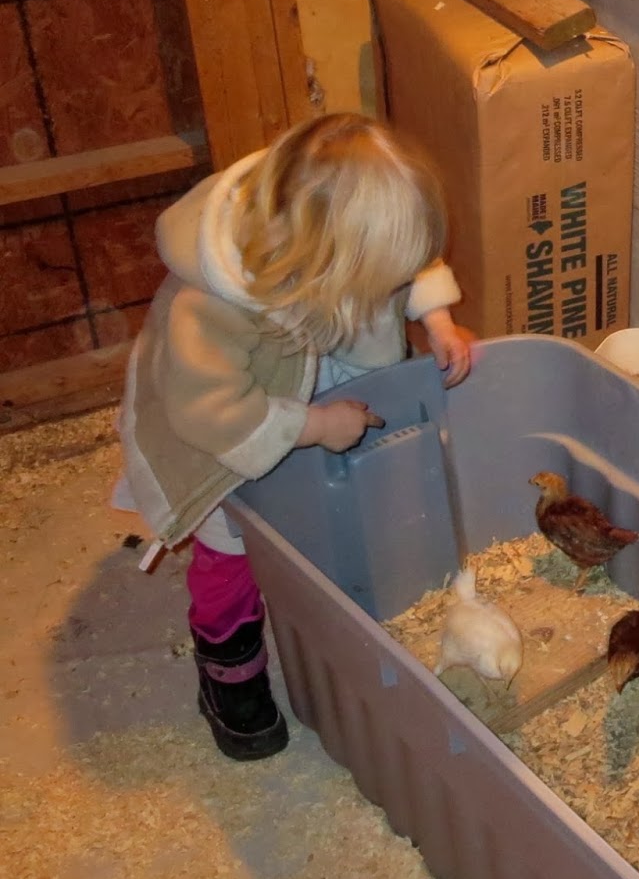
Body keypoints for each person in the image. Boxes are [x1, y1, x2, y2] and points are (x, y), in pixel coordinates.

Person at [117, 113, 473, 761]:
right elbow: (209, 410)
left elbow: (411, 261)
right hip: (226, 422)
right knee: (233, 549)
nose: (395, 289)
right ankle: (229, 668)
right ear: (323, 261)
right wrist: (313, 425)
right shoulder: (213, 306)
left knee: (342, 506)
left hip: (314, 363)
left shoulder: (337, 233)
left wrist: (438, 320)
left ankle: (343, 590)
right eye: (384, 281)